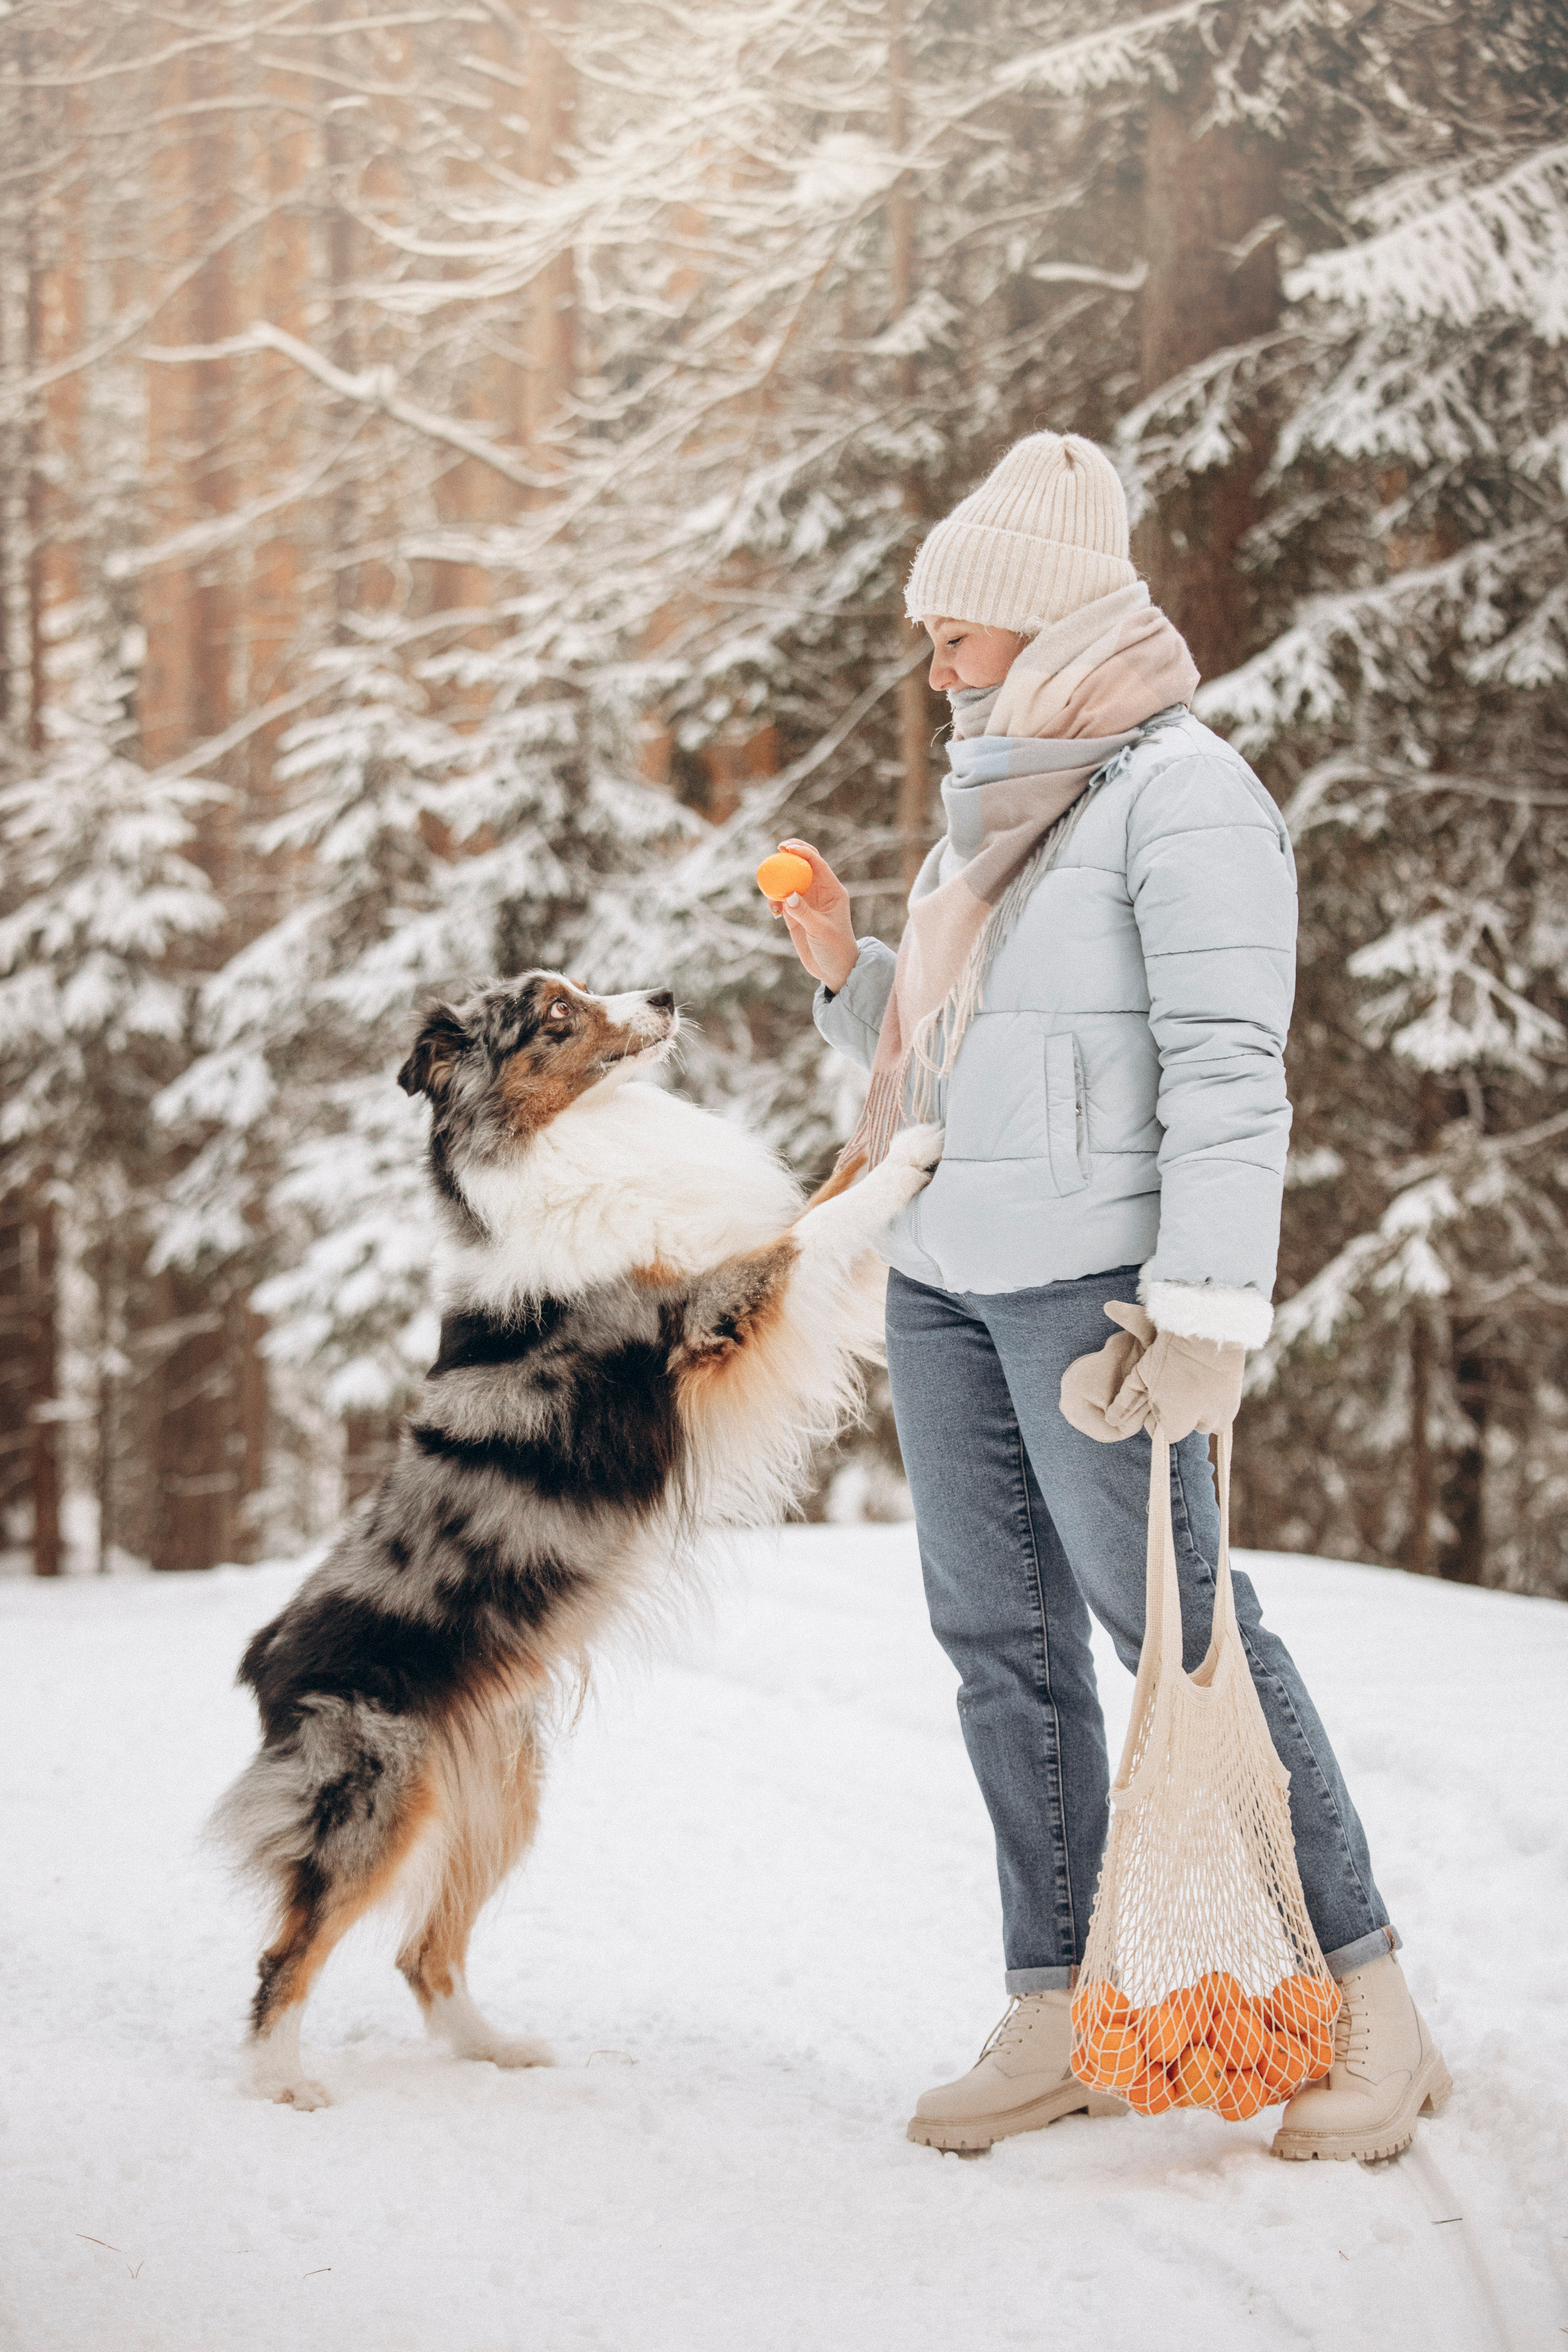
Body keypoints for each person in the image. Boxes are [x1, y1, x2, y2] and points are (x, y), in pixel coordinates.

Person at [768, 431, 1449, 2163]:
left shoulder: (1182, 795)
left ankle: (1369, 1999)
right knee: (999, 1651)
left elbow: (1229, 1071)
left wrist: (1207, 1314)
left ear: (1051, 617)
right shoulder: (994, 805)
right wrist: (852, 973)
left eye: (958, 635)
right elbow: (966, 1062)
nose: (937, 669)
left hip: (1096, 1301)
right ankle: (1063, 2007)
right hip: (943, 1282)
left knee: (1184, 1634)